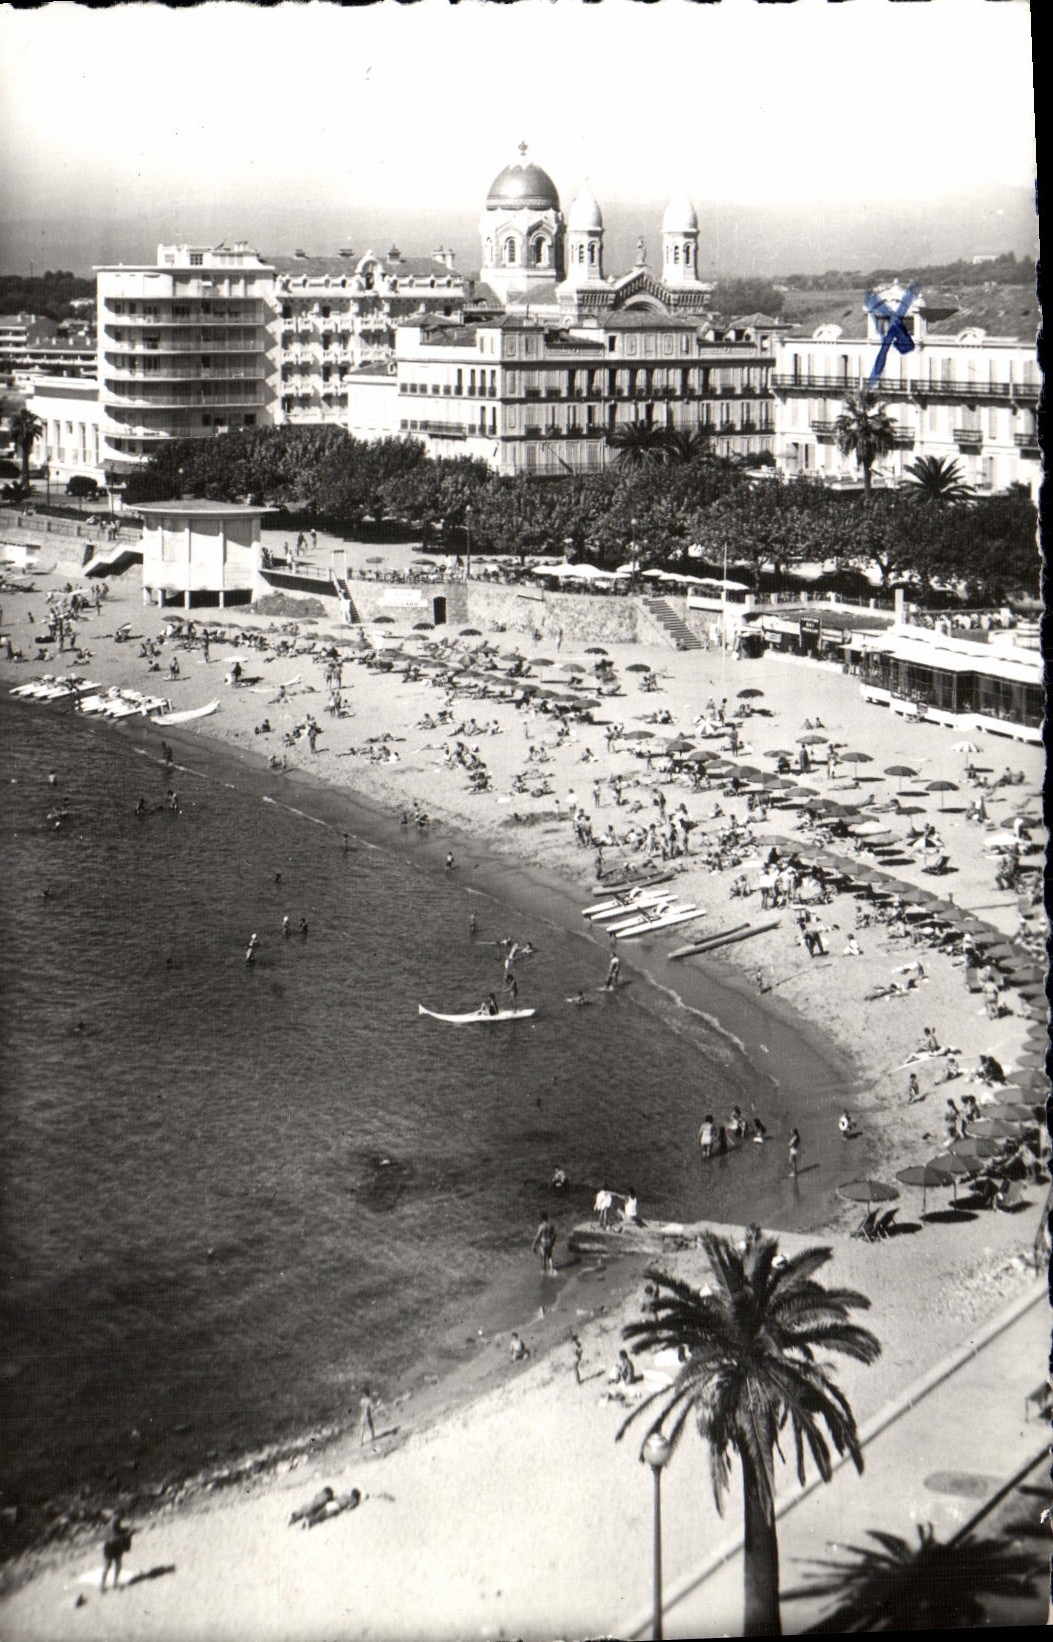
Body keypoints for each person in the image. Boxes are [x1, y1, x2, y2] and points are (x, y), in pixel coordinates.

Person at [100, 1509, 133, 1592]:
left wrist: (125, 1531)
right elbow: (115, 1535)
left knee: (111, 1566)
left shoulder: (112, 1521)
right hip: (113, 1546)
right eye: (121, 1516)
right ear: (117, 1515)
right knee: (113, 1565)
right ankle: (109, 1583)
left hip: (111, 1546)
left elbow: (118, 1531)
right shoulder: (114, 1522)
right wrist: (127, 1534)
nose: (121, 1518)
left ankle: (107, 1584)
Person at [532, 1211, 557, 1275]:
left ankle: (543, 1270)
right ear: (547, 1218)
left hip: (543, 1243)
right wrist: (552, 1243)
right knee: (549, 1256)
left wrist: (534, 1244)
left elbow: (538, 1236)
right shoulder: (550, 1226)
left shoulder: (541, 1226)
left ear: (542, 1219)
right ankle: (552, 1268)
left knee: (543, 1257)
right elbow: (554, 1235)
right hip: (549, 1242)